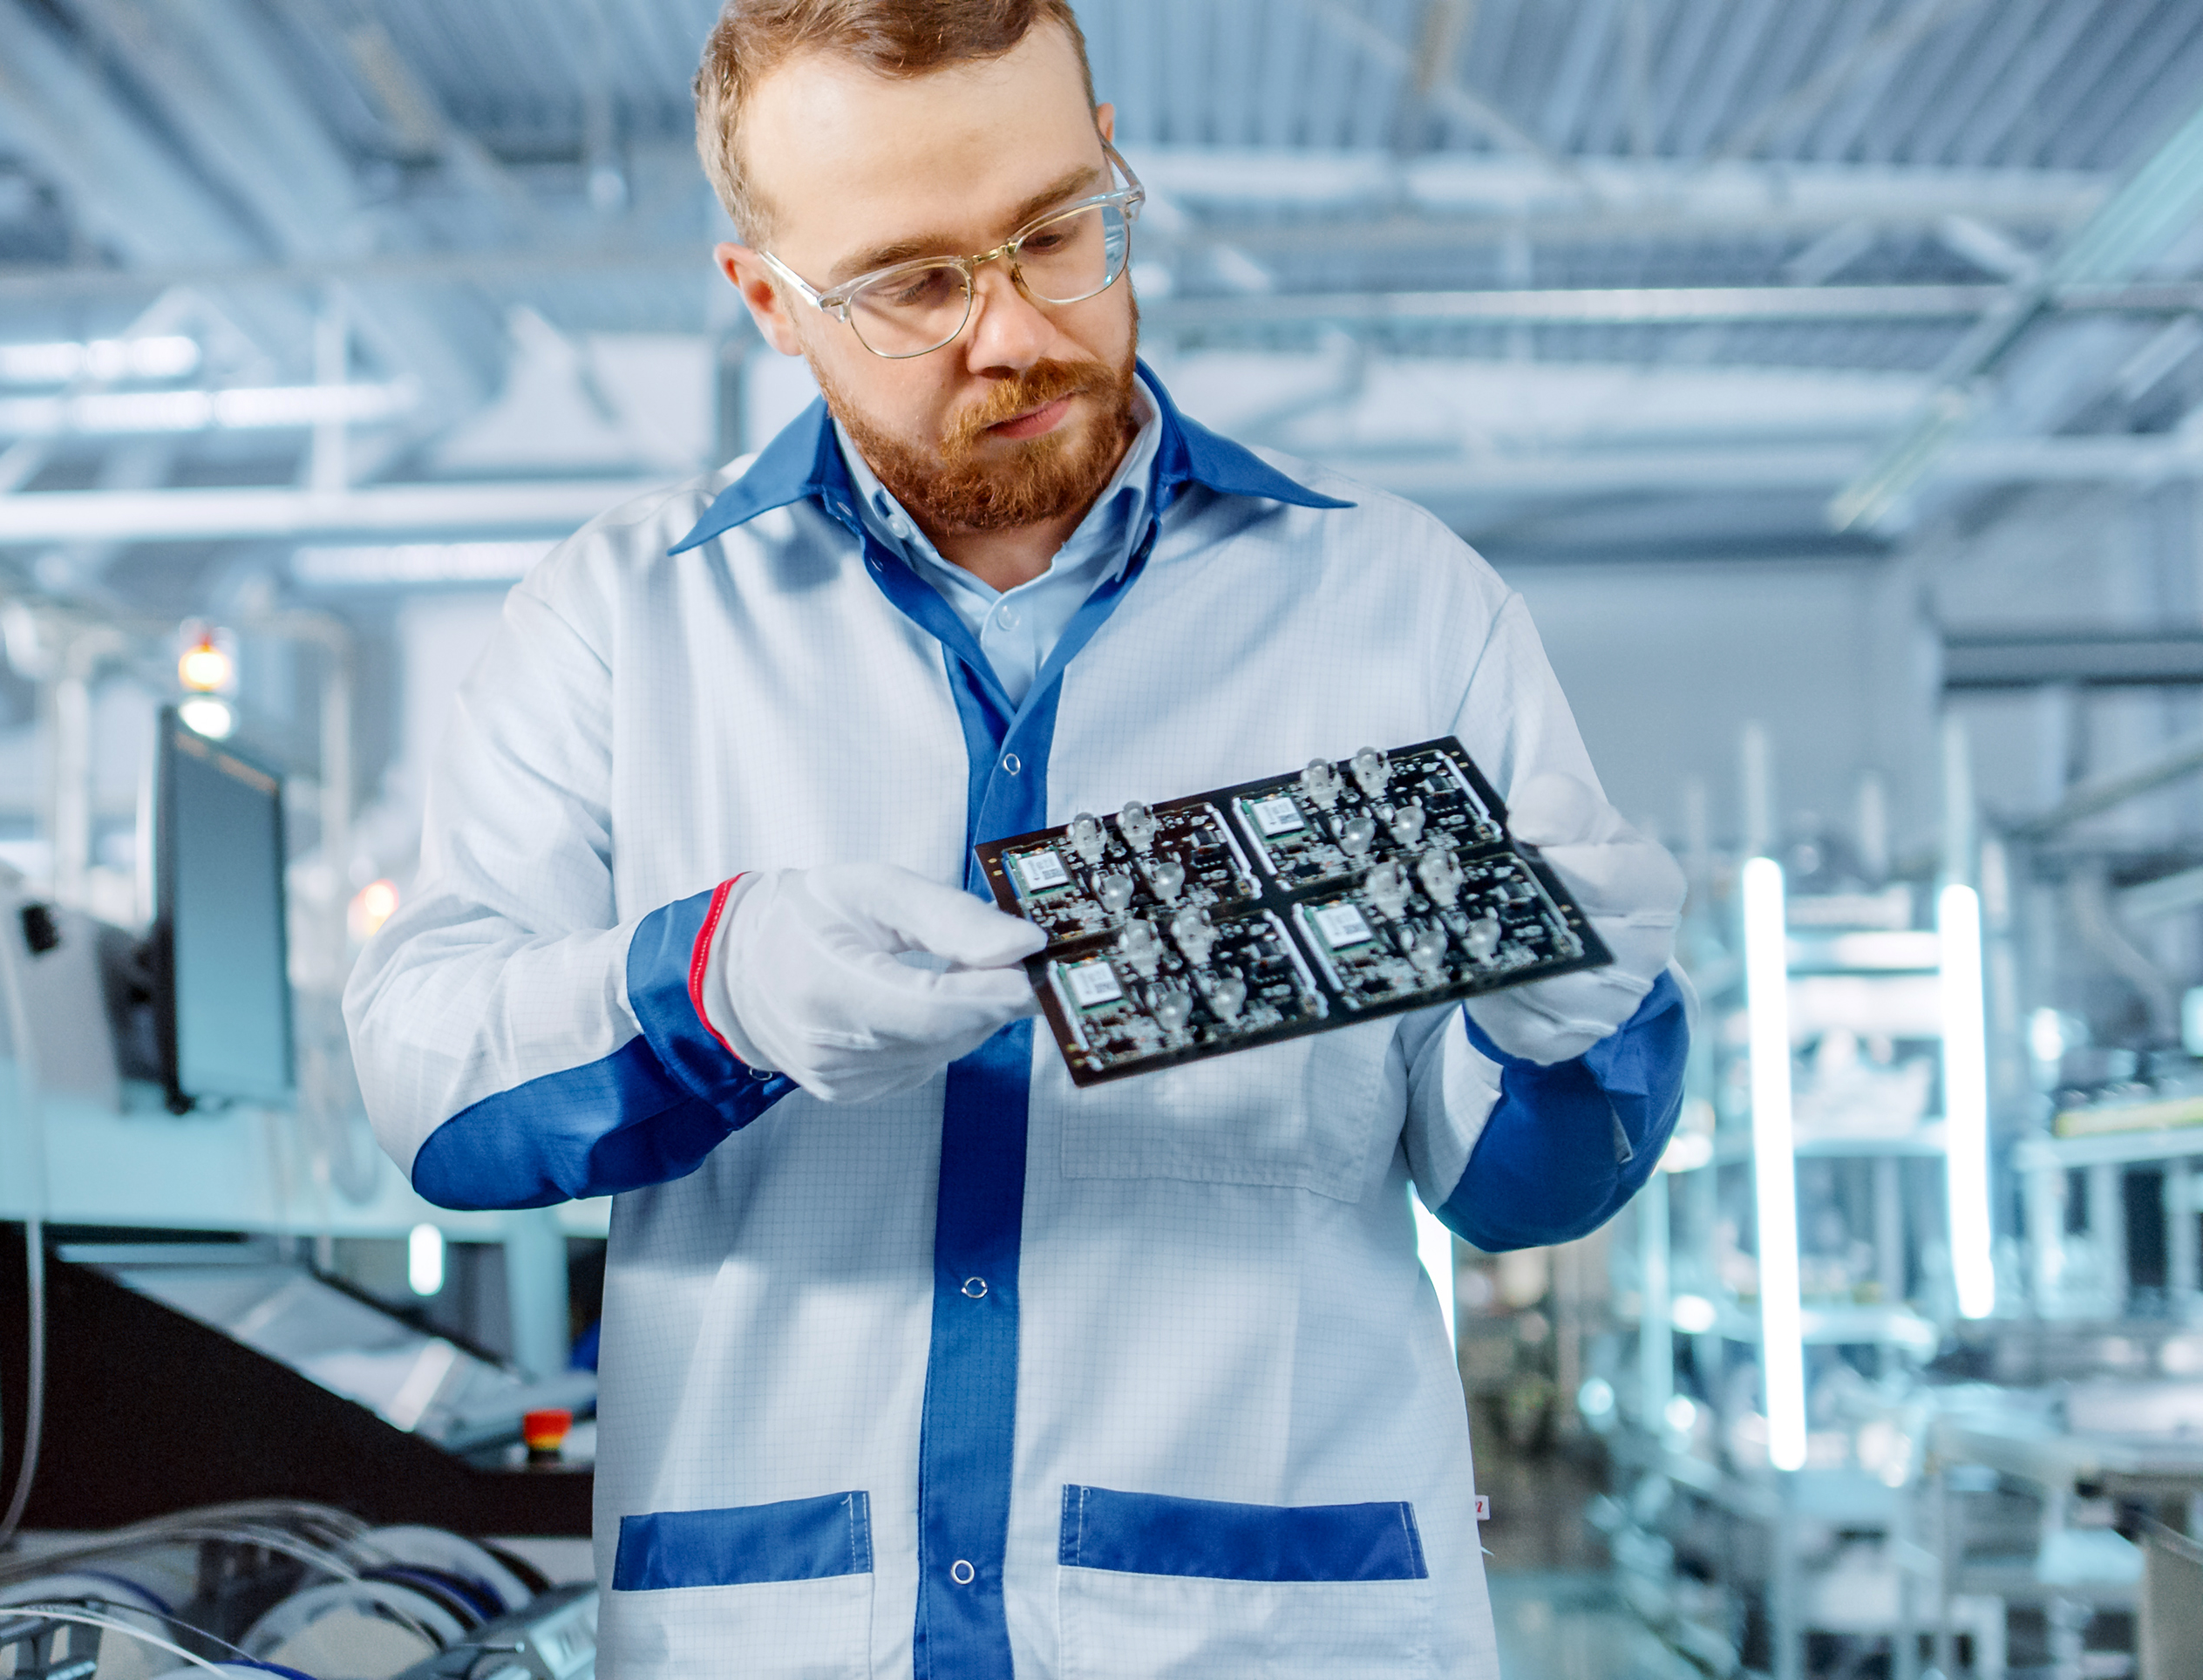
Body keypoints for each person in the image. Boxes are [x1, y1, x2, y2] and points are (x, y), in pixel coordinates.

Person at [345, 2, 1690, 1673]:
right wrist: (717, 984)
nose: (1014, 333)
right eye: (912, 283)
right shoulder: (622, 625)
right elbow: (428, 1083)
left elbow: (1508, 1187)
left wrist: (1576, 1032)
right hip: (777, 1629)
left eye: (1058, 233)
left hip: (1276, 1631)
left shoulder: (1403, 608)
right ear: (769, 299)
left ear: (1112, 158)